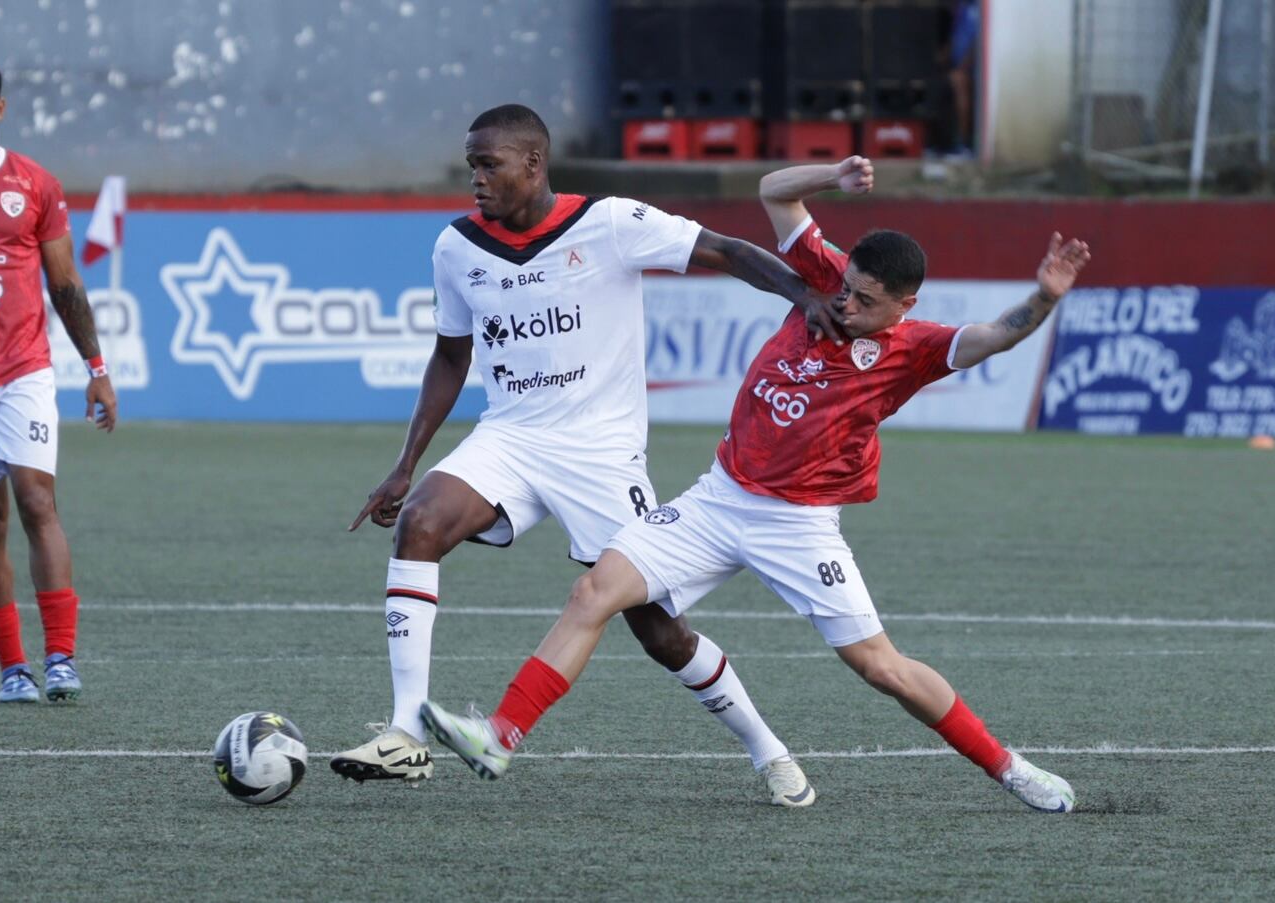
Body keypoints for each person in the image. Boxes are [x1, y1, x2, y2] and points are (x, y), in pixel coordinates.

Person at [421, 157, 1090, 813]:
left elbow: (995, 336)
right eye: (847, 287)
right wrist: (834, 176)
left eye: (865, 300)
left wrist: (1043, 298)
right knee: (593, 591)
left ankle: (1008, 767)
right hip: (717, 499)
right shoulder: (828, 279)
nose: (846, 303)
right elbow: (773, 191)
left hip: (796, 524)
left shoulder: (914, 349)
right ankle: (500, 736)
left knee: (880, 667)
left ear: (904, 305)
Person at [330, 105, 865, 806]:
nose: (476, 181)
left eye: (488, 165)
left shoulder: (611, 223)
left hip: (601, 454)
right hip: (511, 436)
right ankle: (405, 732)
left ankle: (768, 750)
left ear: (533, 163)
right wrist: (406, 464)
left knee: (658, 630)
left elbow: (726, 249)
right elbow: (450, 354)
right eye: (471, 167)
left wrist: (802, 292)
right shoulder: (455, 248)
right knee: (421, 521)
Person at [0, 54, 117, 704]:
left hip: (24, 371)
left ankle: (61, 657)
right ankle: (13, 667)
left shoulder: (34, 183)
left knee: (37, 499)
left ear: (0, 109)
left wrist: (96, 370)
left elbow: (65, 285)